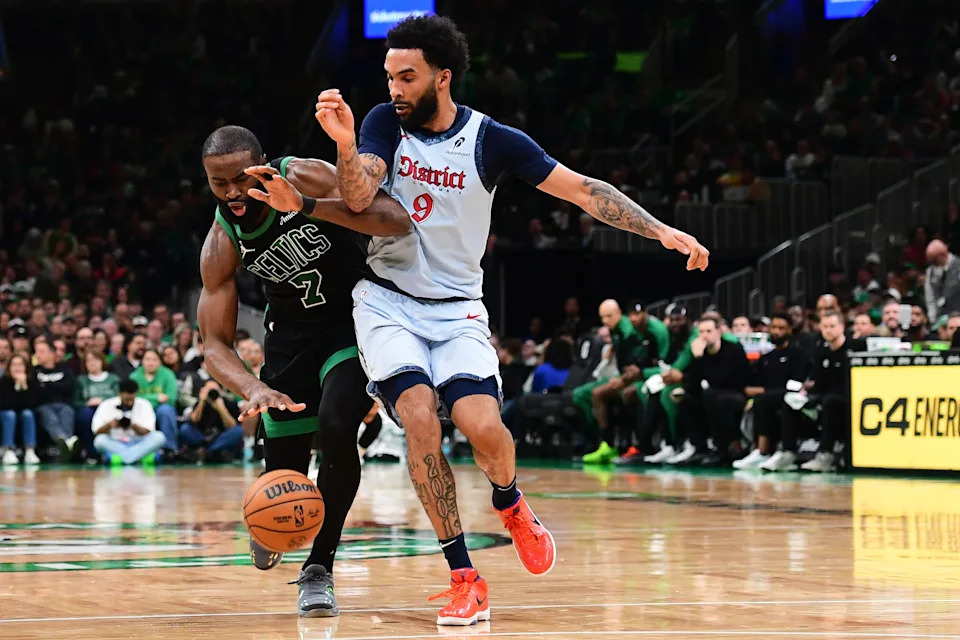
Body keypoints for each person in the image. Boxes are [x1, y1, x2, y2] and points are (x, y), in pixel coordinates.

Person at [314, 14, 708, 624]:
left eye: (407, 77)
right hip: (387, 301)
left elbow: (582, 191)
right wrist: (345, 143)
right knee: (419, 417)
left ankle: (510, 499)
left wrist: (660, 230)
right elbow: (360, 197)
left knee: (483, 427)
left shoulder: (493, 141)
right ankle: (464, 575)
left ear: (442, 78)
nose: (394, 88)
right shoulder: (380, 125)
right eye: (389, 76)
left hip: (458, 309)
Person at [196, 125, 411, 617]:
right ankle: (272, 524)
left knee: (339, 425)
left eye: (240, 179)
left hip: (354, 320)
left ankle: (319, 567)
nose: (232, 193)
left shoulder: (307, 176)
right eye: (217, 183)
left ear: (263, 163)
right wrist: (254, 385)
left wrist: (308, 207)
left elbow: (391, 217)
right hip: (289, 339)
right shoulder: (222, 239)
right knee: (283, 483)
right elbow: (212, 344)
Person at [762, 311, 866, 472]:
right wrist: (806, 395)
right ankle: (788, 453)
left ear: (842, 327)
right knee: (790, 400)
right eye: (824, 327)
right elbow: (818, 383)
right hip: (823, 398)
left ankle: (826, 455)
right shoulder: (821, 352)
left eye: (832, 326)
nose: (828, 330)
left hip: (847, 400)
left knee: (829, 401)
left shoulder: (854, 349)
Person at [575, 300, 668, 464]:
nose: (605, 321)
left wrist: (626, 378)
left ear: (619, 313)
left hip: (648, 376)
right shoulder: (615, 330)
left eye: (609, 316)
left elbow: (659, 363)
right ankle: (604, 444)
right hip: (628, 375)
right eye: (602, 317)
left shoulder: (647, 330)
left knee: (629, 393)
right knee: (586, 394)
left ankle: (637, 445)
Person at [734, 313, 810, 469]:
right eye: (773, 327)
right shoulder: (767, 357)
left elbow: (795, 384)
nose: (776, 332)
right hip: (769, 398)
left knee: (764, 399)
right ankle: (756, 451)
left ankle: (765, 451)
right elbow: (753, 384)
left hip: (792, 397)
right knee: (755, 400)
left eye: (781, 328)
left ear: (789, 330)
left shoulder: (798, 355)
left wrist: (763, 391)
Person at [679, 317, 750, 466]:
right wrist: (697, 358)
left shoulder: (733, 349)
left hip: (736, 393)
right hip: (713, 395)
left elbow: (723, 379)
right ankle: (700, 448)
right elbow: (693, 382)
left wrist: (699, 358)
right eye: (701, 332)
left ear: (718, 332)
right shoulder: (701, 352)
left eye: (709, 331)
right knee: (687, 399)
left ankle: (723, 449)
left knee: (713, 397)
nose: (704, 335)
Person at [91, 378, 166, 465]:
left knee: (159, 437)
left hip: (138, 441)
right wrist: (110, 425)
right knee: (99, 441)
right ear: (119, 394)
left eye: (132, 399)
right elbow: (96, 431)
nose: (130, 403)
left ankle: (123, 458)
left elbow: (148, 430)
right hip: (115, 442)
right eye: (127, 400)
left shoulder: (145, 404)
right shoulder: (106, 405)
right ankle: (138, 457)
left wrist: (134, 426)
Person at [178, 379, 244, 463]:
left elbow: (232, 426)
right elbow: (193, 420)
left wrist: (221, 408)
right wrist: (201, 402)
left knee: (238, 431)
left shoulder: (229, 403)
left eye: (214, 390)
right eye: (208, 390)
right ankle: (213, 451)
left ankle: (206, 451)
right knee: (185, 428)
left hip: (221, 437)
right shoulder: (200, 402)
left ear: (220, 391)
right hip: (202, 437)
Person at [74, 350, 120, 463]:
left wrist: (103, 401)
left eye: (95, 360)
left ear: (102, 361)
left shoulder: (113, 379)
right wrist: (87, 403)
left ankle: (113, 451)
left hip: (110, 409)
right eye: (88, 361)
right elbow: (75, 402)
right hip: (89, 410)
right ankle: (91, 453)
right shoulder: (81, 380)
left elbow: (119, 398)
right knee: (85, 415)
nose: (92, 363)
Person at [33, 340, 77, 458]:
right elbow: (36, 391)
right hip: (43, 405)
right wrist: (56, 386)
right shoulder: (34, 371)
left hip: (64, 404)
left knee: (67, 413)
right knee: (49, 416)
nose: (37, 355)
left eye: (41, 352)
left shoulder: (64, 369)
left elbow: (69, 387)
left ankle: (65, 445)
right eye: (36, 351)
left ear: (52, 354)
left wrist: (46, 386)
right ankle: (67, 442)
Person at [0, 354, 41, 465]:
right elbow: (6, 405)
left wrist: (24, 386)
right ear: (9, 367)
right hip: (5, 413)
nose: (17, 368)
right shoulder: (3, 382)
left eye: (20, 365)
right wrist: (18, 386)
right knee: (10, 414)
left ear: (26, 367)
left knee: (28, 414)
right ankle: (8, 449)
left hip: (22, 413)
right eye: (14, 365)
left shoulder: (31, 382)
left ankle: (30, 450)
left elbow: (31, 405)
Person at [924, 239, 960, 320]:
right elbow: (930, 296)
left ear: (941, 256)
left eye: (933, 261)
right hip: (941, 317)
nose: (932, 264)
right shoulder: (930, 271)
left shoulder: (958, 266)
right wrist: (932, 319)